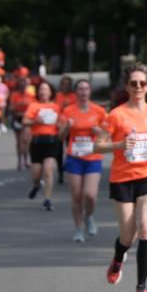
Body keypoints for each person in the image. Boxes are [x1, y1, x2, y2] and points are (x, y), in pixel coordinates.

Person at [93, 63, 147, 292]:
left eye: (142, 83)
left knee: (146, 228)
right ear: (127, 86)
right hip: (122, 178)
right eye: (133, 83)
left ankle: (141, 288)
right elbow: (97, 146)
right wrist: (118, 146)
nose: (138, 87)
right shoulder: (116, 115)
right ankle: (119, 258)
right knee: (128, 235)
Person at [59, 79, 107, 242]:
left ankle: (89, 216)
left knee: (90, 195)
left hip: (93, 157)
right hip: (74, 157)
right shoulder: (68, 111)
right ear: (76, 92)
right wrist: (67, 127)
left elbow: (108, 135)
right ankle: (79, 228)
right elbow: (60, 136)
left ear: (90, 91)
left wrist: (98, 131)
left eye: (86, 89)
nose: (84, 92)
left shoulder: (99, 111)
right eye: (80, 89)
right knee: (76, 195)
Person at [22, 81, 61, 210]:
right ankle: (36, 185)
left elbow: (62, 122)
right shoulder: (34, 106)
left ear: (51, 92)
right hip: (37, 142)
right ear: (38, 92)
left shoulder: (56, 107)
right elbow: (25, 121)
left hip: (52, 141)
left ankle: (47, 199)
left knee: (48, 170)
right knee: (36, 175)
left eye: (46, 89)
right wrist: (34, 121)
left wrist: (62, 126)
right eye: (41, 89)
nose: (43, 92)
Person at [9, 78, 35, 170]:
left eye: (25, 84)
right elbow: (11, 108)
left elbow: (34, 108)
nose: (23, 86)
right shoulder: (14, 95)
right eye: (21, 84)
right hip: (17, 119)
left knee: (26, 141)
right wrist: (19, 113)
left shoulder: (31, 95)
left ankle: (26, 159)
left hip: (27, 120)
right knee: (19, 141)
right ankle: (19, 161)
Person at [54, 76, 77, 184]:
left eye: (67, 84)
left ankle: (66, 165)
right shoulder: (57, 96)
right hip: (59, 126)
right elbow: (54, 109)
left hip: (71, 126)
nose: (65, 86)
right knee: (58, 150)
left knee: (71, 149)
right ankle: (60, 173)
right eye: (63, 84)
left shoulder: (74, 96)